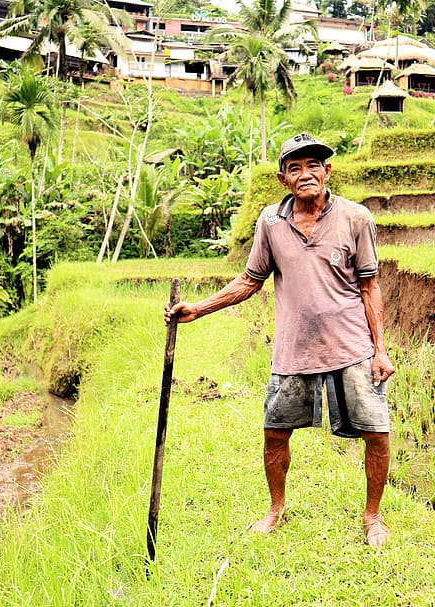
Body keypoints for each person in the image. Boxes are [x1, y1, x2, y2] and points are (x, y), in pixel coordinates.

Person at [164, 133, 395, 547]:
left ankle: (373, 516)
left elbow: (369, 286)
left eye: (313, 165)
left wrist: (380, 350)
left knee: (376, 432)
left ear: (328, 171)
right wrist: (198, 308)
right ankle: (275, 509)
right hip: (294, 350)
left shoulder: (357, 217)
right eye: (295, 167)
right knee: (275, 431)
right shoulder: (270, 221)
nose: (305, 174)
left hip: (352, 346)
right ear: (283, 178)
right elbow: (250, 280)